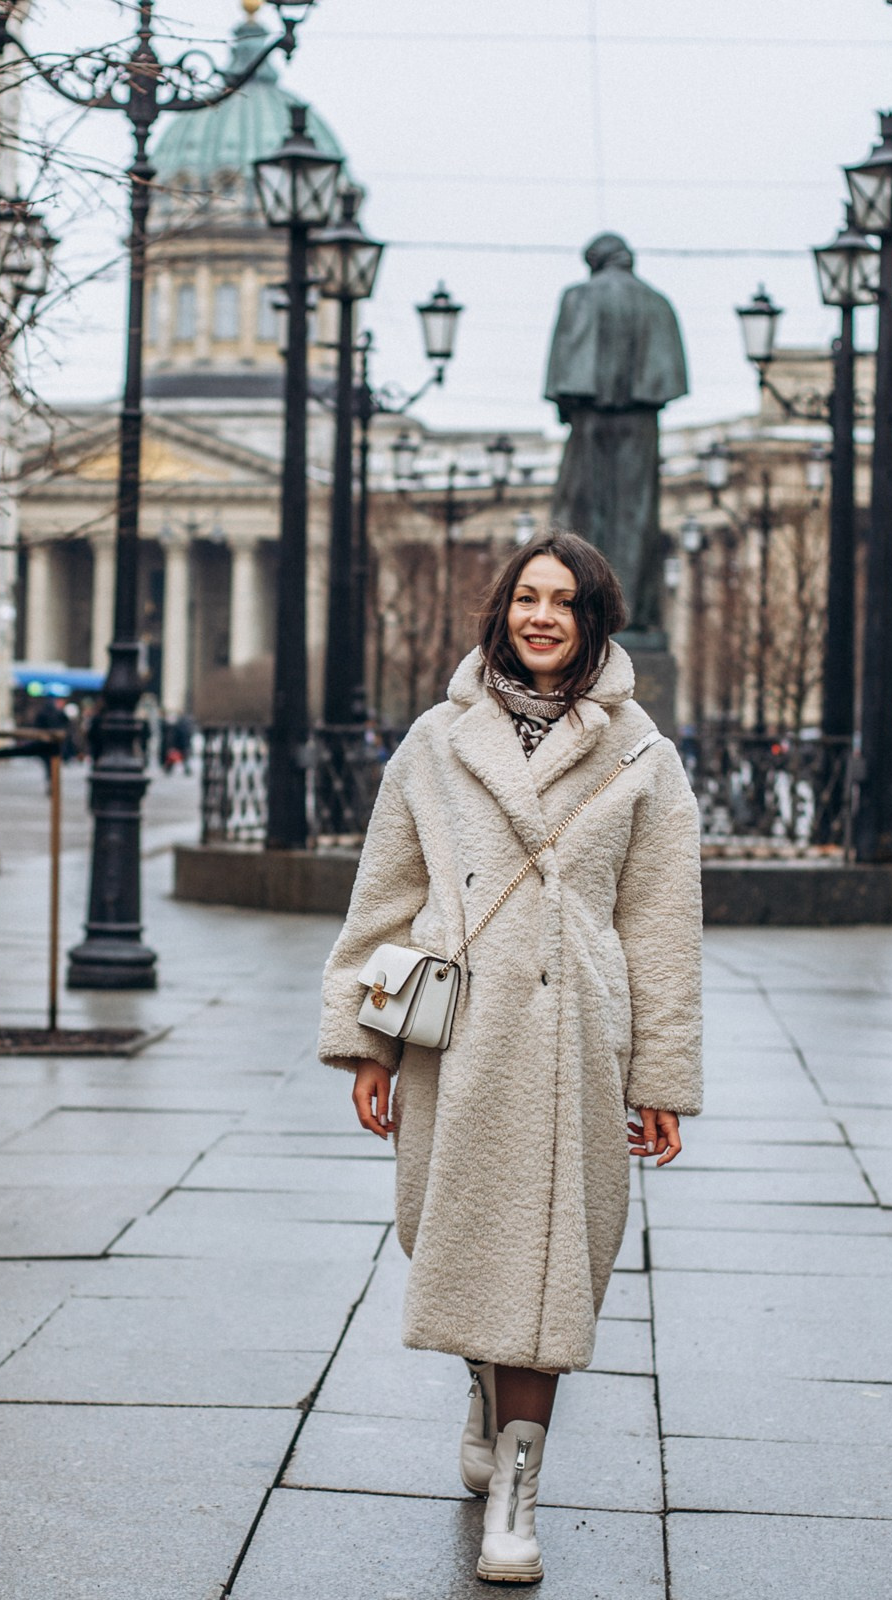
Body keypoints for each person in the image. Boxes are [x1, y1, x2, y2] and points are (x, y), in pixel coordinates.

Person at [317, 530, 702, 1587]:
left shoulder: (643, 757)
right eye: (527, 597)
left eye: (565, 602)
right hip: (461, 1037)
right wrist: (366, 1044)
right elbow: (382, 900)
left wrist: (662, 1077)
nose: (543, 616)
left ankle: (517, 1496)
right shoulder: (436, 744)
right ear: (502, 613)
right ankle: (486, 1394)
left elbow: (662, 924)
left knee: (547, 1266)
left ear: (593, 621)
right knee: (465, 1246)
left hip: (578, 1038)